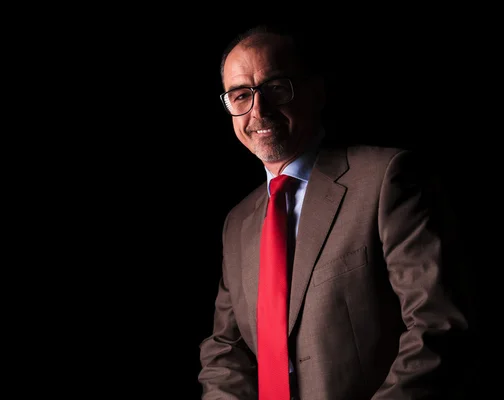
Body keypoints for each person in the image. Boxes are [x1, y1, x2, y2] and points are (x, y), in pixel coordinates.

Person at [198, 23, 470, 400]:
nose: (258, 109)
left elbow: (437, 325)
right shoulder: (237, 223)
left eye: (276, 88)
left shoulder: (386, 180)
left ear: (316, 92)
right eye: (241, 95)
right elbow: (226, 351)